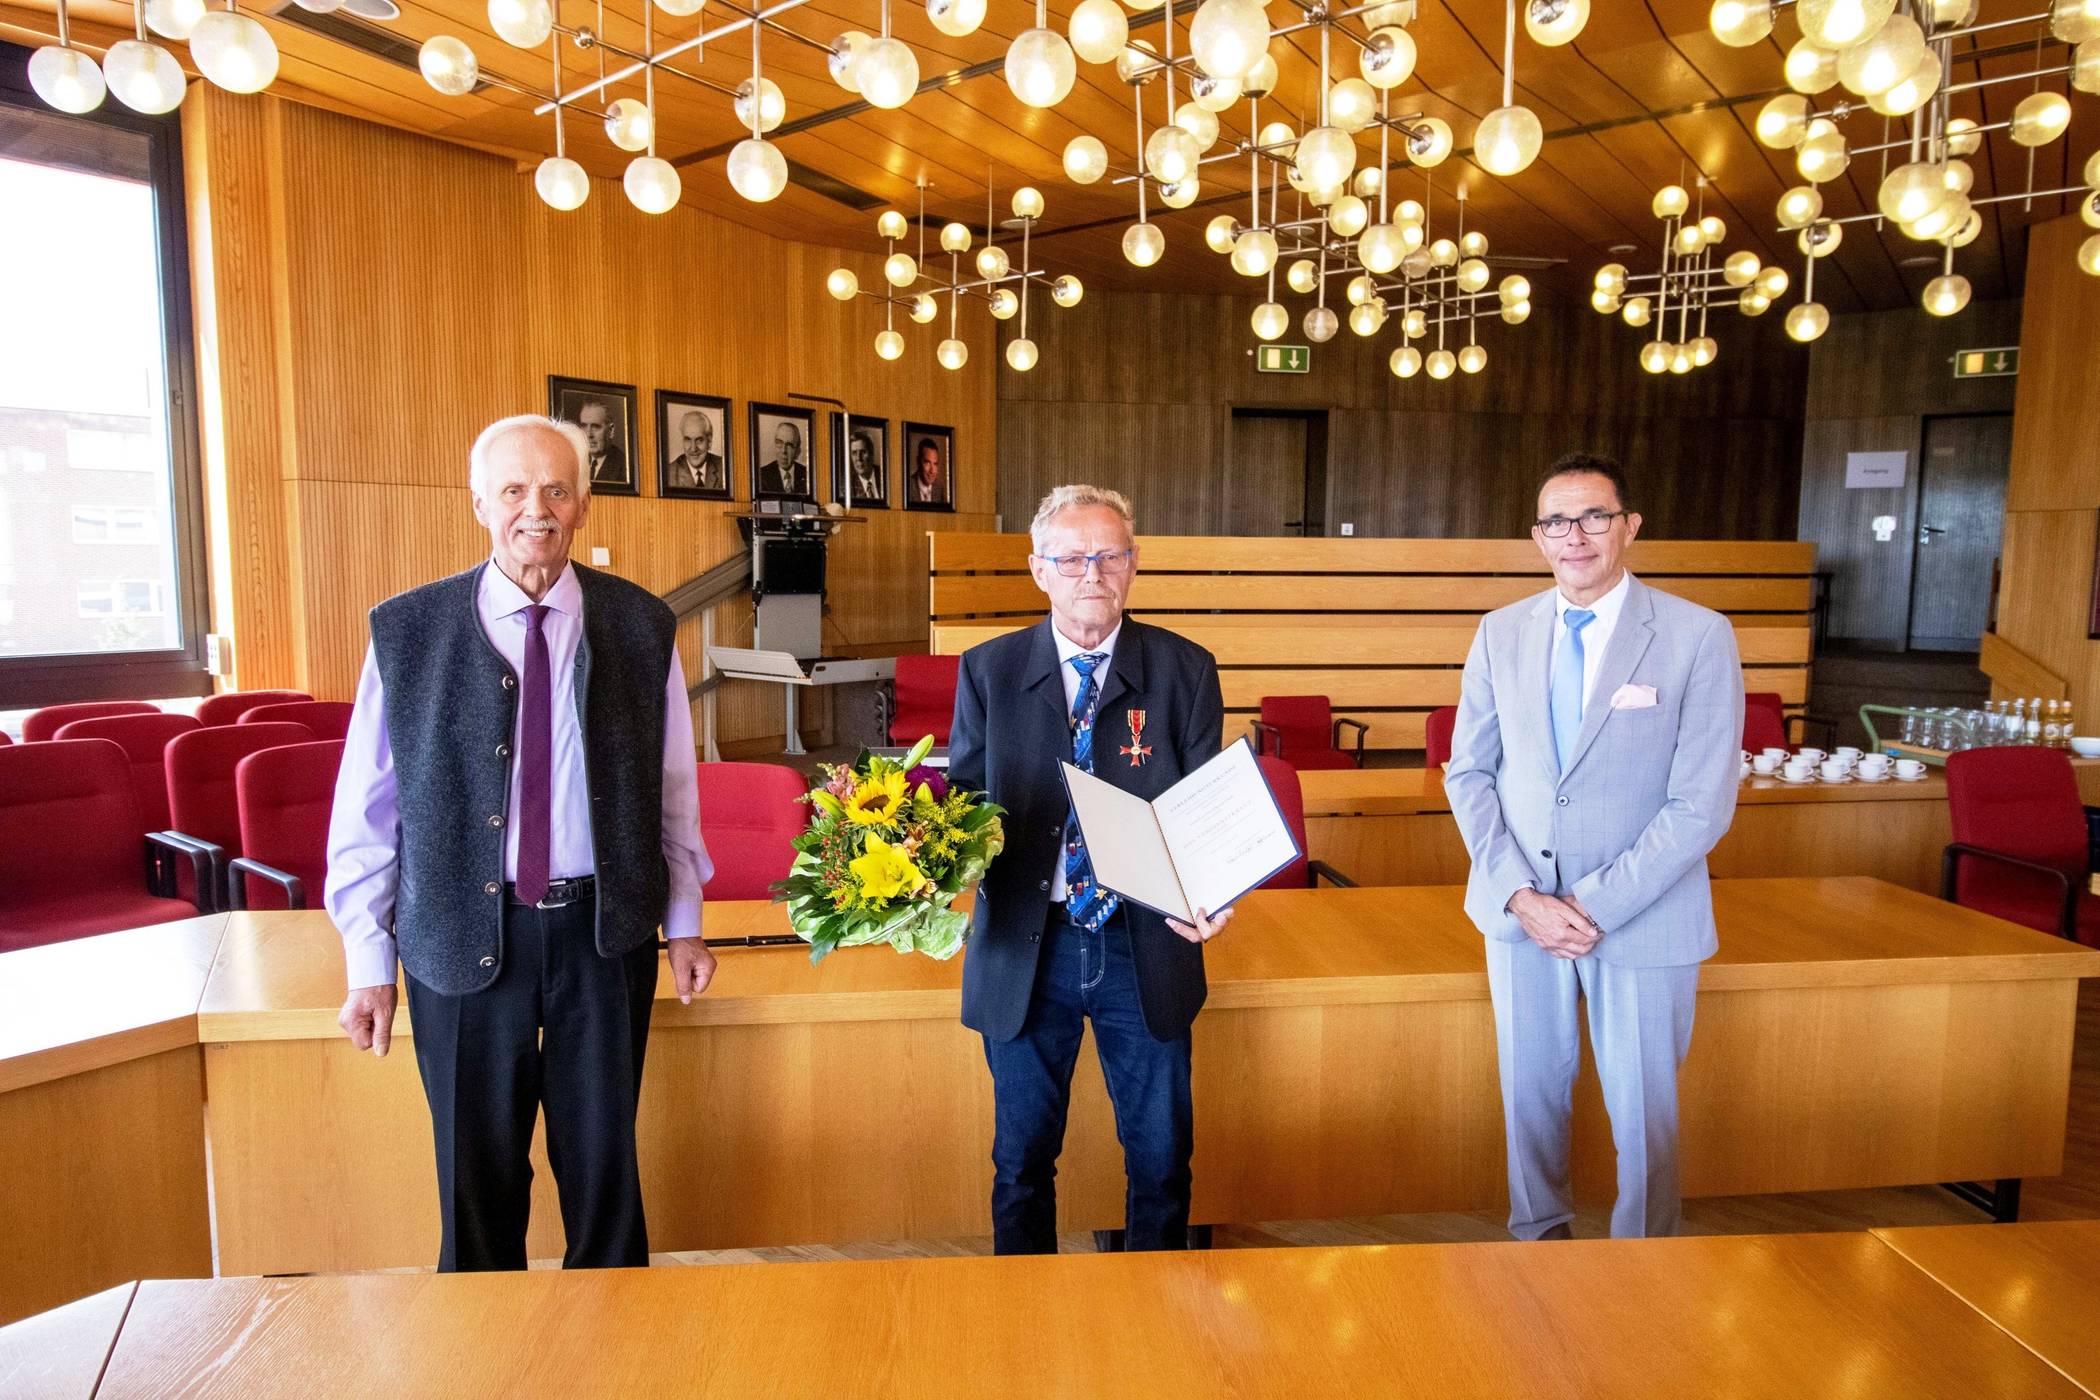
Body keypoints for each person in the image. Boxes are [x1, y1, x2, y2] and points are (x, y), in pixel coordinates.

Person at [326, 413, 718, 1272]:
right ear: (478, 504)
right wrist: (367, 961)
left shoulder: (641, 624)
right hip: (456, 943)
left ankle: (614, 1353)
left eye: (554, 490)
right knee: (475, 1187)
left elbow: (673, 789)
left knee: (606, 1178)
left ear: (582, 506)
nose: (534, 509)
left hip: (602, 939)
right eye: (513, 490)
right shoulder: (408, 629)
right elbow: (367, 810)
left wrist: (683, 918)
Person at [1444, 451, 1742, 1241]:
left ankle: (1644, 1262)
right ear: (1537, 535)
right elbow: (1468, 771)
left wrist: (1587, 904)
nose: (1573, 535)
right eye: (1555, 521)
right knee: (1530, 1095)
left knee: (1646, 1110)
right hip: (1520, 913)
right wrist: (1519, 894)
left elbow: (1701, 803)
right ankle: (1537, 1239)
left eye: (1593, 517)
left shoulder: (1697, 636)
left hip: (1643, 917)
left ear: (1628, 526)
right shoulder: (1501, 632)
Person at [947, 484, 1232, 1255]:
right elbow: (964, 804)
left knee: (1164, 1164)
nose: (1091, 573)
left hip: (1145, 945)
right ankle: (1026, 1333)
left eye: (1108, 555)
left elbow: (1209, 809)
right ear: (1038, 568)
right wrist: (930, 864)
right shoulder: (987, 672)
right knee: (1021, 1165)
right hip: (1025, 948)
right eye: (1072, 557)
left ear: (1133, 565)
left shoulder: (1186, 670)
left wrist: (1216, 888)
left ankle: (1159, 1328)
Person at [665, 410, 724, 493]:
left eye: (699, 440)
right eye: (688, 440)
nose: (693, 449)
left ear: (709, 442)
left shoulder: (724, 468)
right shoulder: (669, 474)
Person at [577, 400, 627, 487]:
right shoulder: (576, 462)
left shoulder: (623, 467)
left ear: (611, 431)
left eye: (596, 427)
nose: (588, 434)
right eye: (584, 426)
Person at [758, 420, 806, 497]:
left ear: (798, 451)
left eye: (789, 445)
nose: (784, 450)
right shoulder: (761, 476)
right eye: (779, 443)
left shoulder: (807, 474)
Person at [846, 427, 882, 501]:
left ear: (871, 453)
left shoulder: (885, 476)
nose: (858, 458)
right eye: (854, 453)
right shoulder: (847, 487)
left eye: (863, 452)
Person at [909, 437, 944, 503]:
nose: (932, 471)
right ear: (918, 462)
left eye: (935, 464)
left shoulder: (940, 488)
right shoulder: (908, 487)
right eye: (927, 463)